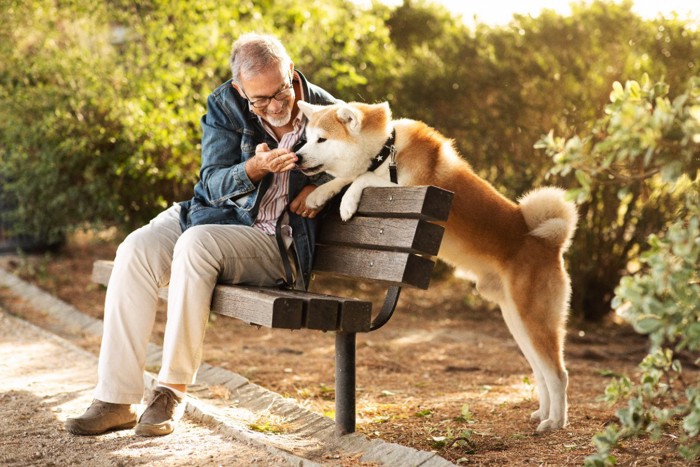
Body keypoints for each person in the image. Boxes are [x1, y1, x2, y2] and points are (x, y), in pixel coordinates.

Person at [65, 33, 337, 437]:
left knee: (196, 242)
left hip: (270, 240)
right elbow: (209, 185)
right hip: (210, 214)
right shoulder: (224, 104)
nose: (275, 106)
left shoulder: (329, 112)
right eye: (259, 100)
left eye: (280, 93)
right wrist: (253, 169)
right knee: (135, 249)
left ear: (291, 72)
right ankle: (115, 398)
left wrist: (323, 187)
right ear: (239, 90)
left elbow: (371, 160)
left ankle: (171, 391)